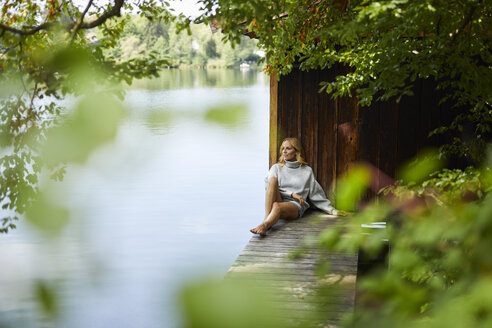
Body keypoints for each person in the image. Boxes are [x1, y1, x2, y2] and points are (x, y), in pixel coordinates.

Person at [250, 137, 340, 236]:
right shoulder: (276, 168)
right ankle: (266, 221)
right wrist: (292, 194)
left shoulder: (307, 171)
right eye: (283, 148)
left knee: (277, 206)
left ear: (296, 151)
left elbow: (316, 194)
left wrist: (333, 211)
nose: (284, 151)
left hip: (295, 205)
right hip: (279, 198)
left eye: (288, 148)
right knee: (272, 180)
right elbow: (268, 188)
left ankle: (264, 225)